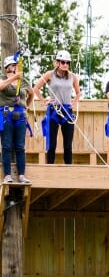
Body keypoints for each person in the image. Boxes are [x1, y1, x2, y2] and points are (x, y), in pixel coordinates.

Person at [33, 50, 81, 164]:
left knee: (68, 145)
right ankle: (50, 168)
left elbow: (78, 93)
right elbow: (35, 88)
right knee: (52, 144)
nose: (65, 65)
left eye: (67, 62)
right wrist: (43, 101)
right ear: (57, 63)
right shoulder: (49, 75)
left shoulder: (73, 77)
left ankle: (68, 169)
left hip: (67, 111)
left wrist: (73, 103)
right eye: (63, 62)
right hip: (54, 110)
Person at [0, 55, 34, 183]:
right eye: (13, 65)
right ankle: (7, 175)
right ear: (7, 67)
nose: (15, 67)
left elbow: (31, 94)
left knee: (20, 146)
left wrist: (26, 106)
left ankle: (21, 175)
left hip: (20, 115)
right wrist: (14, 77)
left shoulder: (23, 81)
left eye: (16, 65)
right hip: (6, 115)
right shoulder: (3, 78)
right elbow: (1, 87)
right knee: (7, 145)